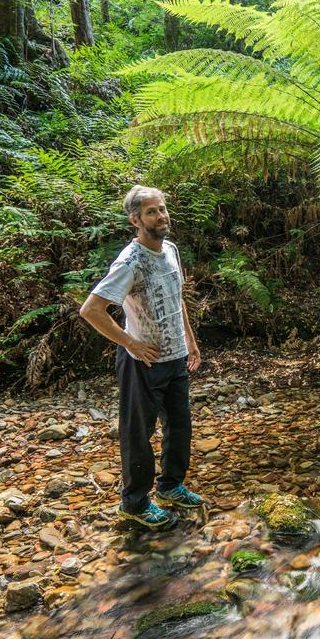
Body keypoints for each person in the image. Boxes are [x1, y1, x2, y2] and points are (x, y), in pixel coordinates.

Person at [80, 185, 205, 529]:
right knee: (139, 434)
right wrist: (131, 344)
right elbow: (92, 310)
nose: (161, 216)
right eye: (152, 212)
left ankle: (170, 487)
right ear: (135, 219)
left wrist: (190, 343)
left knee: (179, 428)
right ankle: (134, 504)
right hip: (143, 363)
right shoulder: (130, 261)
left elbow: (177, 299)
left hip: (176, 357)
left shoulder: (171, 251)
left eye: (163, 209)